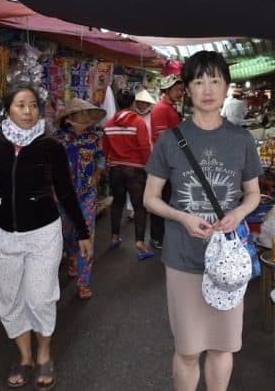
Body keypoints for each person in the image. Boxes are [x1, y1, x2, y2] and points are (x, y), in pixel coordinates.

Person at [143, 51, 262, 391]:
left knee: (223, 346)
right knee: (188, 350)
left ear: (226, 88)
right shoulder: (170, 141)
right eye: (199, 81)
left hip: (228, 262)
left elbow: (253, 194)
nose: (207, 89)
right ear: (187, 90)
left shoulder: (241, 140)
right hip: (184, 259)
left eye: (215, 81)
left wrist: (237, 213)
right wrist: (181, 217)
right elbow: (150, 198)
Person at [0, 83, 91, 390]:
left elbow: (65, 191)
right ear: (8, 109)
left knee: (39, 297)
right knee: (10, 300)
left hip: (42, 235)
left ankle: (44, 355)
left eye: (33, 105)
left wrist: (82, 231)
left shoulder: (51, 146)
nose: (28, 111)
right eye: (21, 105)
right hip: (3, 235)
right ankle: (24, 357)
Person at [52, 98, 107, 301]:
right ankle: (73, 255)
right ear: (71, 117)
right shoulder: (57, 139)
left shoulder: (94, 138)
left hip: (86, 195)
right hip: (62, 197)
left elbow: (101, 157)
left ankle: (83, 282)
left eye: (88, 114)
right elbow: (48, 166)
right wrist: (51, 188)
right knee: (65, 233)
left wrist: (97, 174)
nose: (86, 117)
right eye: (82, 113)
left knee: (87, 236)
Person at [102, 88, 153, 260]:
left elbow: (105, 151)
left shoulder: (108, 124)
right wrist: (149, 168)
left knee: (117, 204)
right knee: (139, 206)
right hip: (135, 170)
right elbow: (145, 148)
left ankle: (114, 237)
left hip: (116, 170)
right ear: (133, 103)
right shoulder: (138, 122)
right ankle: (139, 243)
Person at [148, 74, 184, 250]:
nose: (180, 93)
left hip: (171, 160)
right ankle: (157, 237)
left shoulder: (170, 108)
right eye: (177, 89)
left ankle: (164, 235)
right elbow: (164, 139)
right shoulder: (161, 109)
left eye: (181, 89)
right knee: (160, 200)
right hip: (165, 161)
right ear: (167, 90)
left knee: (169, 199)